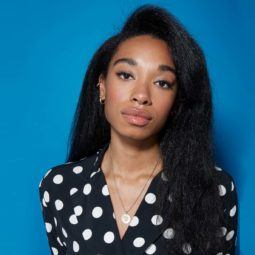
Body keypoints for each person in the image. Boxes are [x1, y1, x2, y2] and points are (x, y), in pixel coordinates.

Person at [38, 4, 238, 255]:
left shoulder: (214, 189)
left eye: (162, 83)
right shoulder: (59, 186)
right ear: (101, 85)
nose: (141, 95)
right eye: (126, 75)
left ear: (176, 102)